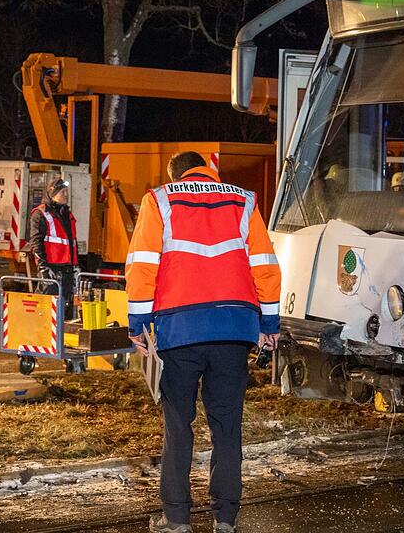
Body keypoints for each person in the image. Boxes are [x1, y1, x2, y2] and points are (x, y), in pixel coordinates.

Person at [126, 152, 281, 533]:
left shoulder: (160, 199)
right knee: (227, 425)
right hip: (233, 330)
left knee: (178, 424)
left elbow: (144, 263)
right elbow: (265, 264)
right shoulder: (243, 199)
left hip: (179, 330)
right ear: (209, 170)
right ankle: (225, 518)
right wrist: (270, 321)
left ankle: (176, 518)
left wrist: (137, 323)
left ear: (175, 175)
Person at [29, 178, 78, 315]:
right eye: (63, 192)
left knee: (66, 306)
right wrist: (43, 267)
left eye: (66, 192)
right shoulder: (41, 213)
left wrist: (75, 265)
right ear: (53, 194)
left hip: (67, 268)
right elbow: (36, 242)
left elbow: (72, 242)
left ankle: (62, 335)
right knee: (46, 307)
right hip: (51, 267)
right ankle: (41, 334)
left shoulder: (67, 214)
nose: (66, 195)